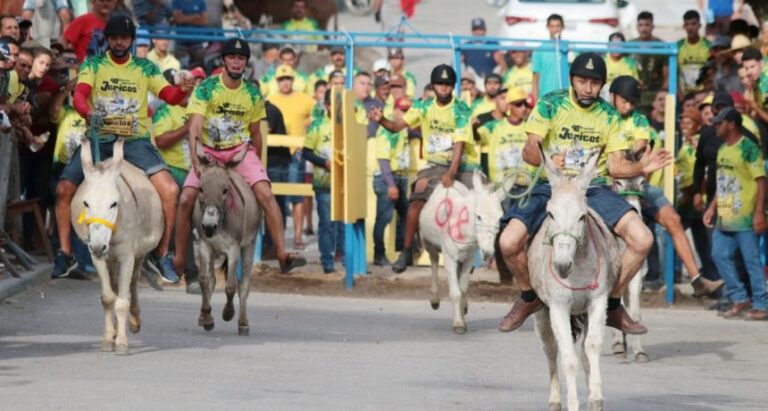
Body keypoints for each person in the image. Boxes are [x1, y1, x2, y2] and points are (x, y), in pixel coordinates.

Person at [496, 53, 672, 335]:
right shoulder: (551, 103)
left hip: (594, 188)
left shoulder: (609, 114)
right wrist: (550, 159)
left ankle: (613, 304)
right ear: (572, 80)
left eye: (594, 82)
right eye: (582, 81)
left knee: (643, 239)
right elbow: (529, 151)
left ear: (602, 84)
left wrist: (641, 166)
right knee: (508, 241)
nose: (588, 88)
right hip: (551, 186)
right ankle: (529, 296)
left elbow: (615, 166)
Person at [52, 15, 195, 280]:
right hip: (100, 138)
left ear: (131, 40)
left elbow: (170, 98)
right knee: (62, 190)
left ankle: (161, 253)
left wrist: (182, 90)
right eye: (114, 37)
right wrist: (88, 111)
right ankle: (65, 252)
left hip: (135, 141)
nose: (119, 42)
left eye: (124, 37)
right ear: (107, 39)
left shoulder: (146, 68)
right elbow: (81, 94)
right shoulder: (93, 64)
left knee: (171, 190)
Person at [174, 38, 307, 276]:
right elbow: (194, 126)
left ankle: (282, 254)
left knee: (266, 194)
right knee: (185, 199)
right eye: (232, 58)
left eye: (241, 58)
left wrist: (260, 170)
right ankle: (180, 259)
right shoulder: (206, 88)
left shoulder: (253, 94)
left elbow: (256, 134)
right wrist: (195, 156)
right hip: (209, 152)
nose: (237, 62)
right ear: (224, 60)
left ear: (246, 62)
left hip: (239, 151)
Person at [609, 75, 724, 296]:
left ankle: (696, 279)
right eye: (625, 100)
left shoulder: (640, 120)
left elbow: (640, 149)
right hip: (608, 184)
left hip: (636, 181)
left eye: (633, 102)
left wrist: (640, 158)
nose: (629, 106)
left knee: (673, 219)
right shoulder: (603, 117)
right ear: (613, 97)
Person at [368, 64, 481, 273]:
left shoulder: (461, 109)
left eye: (448, 84)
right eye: (440, 83)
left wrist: (452, 172)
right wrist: (381, 119)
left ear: (453, 86)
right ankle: (406, 250)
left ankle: (470, 255)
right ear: (434, 85)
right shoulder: (423, 106)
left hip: (462, 164)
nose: (444, 88)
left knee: (477, 203)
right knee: (417, 196)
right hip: (434, 165)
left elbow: (460, 144)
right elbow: (396, 127)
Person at [704, 107, 768, 320]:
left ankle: (762, 303)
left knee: (751, 261)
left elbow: (761, 181)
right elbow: (722, 183)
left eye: (719, 123)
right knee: (718, 254)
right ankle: (739, 297)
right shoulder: (723, 148)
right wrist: (712, 208)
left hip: (746, 216)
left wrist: (759, 212)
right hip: (725, 216)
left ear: (731, 124)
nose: (715, 127)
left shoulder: (749, 148)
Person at [152, 76, 199, 293]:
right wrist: (187, 128)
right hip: (170, 171)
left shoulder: (199, 110)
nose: (190, 92)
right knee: (180, 223)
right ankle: (189, 274)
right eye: (186, 88)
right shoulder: (166, 111)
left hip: (196, 173)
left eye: (193, 88)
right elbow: (160, 140)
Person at [267, 64, 315, 250]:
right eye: (281, 79)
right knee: (275, 196)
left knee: (297, 195)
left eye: (287, 79)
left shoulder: (305, 99)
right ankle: (276, 237)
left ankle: (297, 236)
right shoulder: (271, 100)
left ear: (293, 81)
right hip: (276, 154)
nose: (285, 82)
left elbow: (317, 115)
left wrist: (309, 125)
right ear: (277, 82)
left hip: (298, 152)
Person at [676, 107, 721, 285]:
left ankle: (713, 277)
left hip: (696, 198)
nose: (683, 126)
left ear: (697, 125)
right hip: (687, 197)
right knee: (699, 240)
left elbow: (703, 170)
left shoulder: (697, 142)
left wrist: (696, 193)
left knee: (703, 240)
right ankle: (707, 277)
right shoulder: (685, 143)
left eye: (688, 122)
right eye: (682, 122)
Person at [302, 89, 343, 272]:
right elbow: (306, 152)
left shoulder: (348, 125)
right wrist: (324, 162)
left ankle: (343, 258)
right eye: (332, 103)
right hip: (324, 183)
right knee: (326, 223)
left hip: (344, 184)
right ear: (326, 105)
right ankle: (327, 261)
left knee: (343, 223)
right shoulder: (317, 126)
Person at [372, 96, 412, 266]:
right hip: (387, 178)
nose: (405, 114)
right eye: (402, 110)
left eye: (407, 111)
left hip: (400, 177)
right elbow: (383, 160)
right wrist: (391, 185)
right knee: (384, 218)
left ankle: (405, 251)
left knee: (407, 216)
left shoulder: (402, 128)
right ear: (394, 110)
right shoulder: (385, 130)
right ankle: (379, 254)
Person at [632, 11, 668, 113]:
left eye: (647, 25)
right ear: (637, 27)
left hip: (654, 97)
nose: (644, 28)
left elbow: (667, 76)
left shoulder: (661, 46)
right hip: (634, 97)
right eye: (641, 25)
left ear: (652, 27)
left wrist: (661, 97)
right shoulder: (629, 45)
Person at [532, 14, 569, 101]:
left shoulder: (570, 48)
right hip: (546, 97)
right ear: (547, 27)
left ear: (562, 27)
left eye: (558, 26)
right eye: (552, 26)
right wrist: (536, 102)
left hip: (567, 97)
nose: (555, 29)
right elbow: (535, 79)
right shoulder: (539, 50)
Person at [678, 10, 712, 98]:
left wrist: (706, 92)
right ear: (684, 26)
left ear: (699, 25)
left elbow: (711, 73)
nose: (690, 27)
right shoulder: (678, 46)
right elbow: (674, 73)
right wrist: (679, 93)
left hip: (703, 94)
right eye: (687, 24)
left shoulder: (708, 46)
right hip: (685, 95)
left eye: (693, 24)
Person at [170, 0, 207, 68]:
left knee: (198, 70)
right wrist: (195, 16)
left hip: (197, 43)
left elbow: (203, 21)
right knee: (182, 71)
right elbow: (178, 19)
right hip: (181, 43)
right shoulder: (176, 1)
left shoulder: (201, 1)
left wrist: (184, 17)